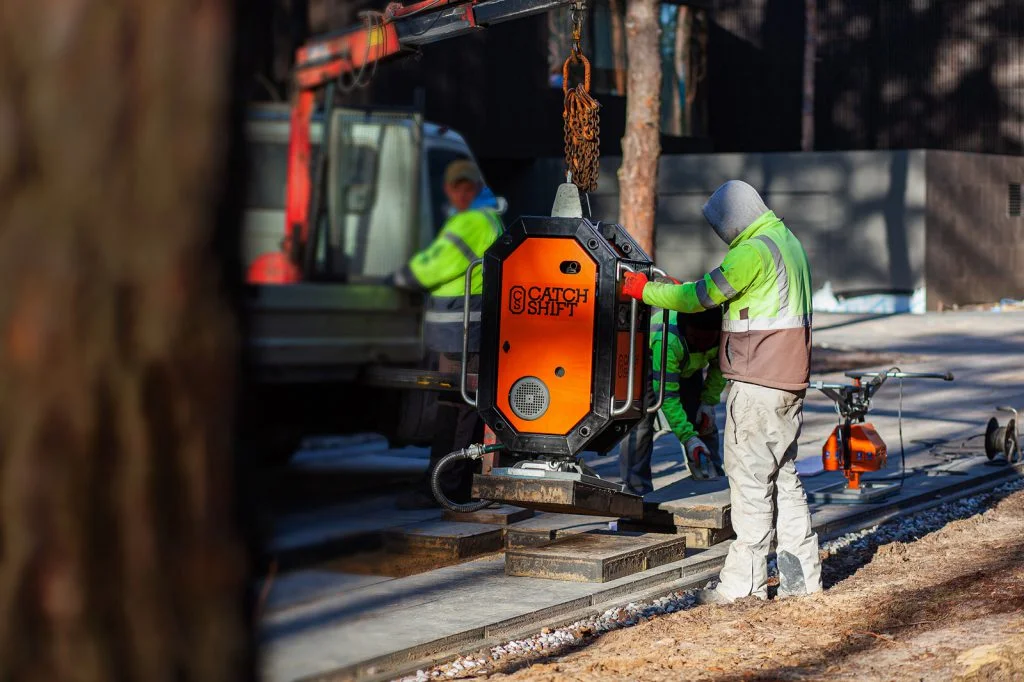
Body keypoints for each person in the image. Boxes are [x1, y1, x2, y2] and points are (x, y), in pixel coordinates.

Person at [621, 180, 819, 604]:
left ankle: (741, 586)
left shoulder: (752, 251)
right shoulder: (788, 243)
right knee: (784, 479)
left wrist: (645, 290)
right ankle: (802, 580)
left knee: (749, 485)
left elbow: (700, 298)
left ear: (731, 221)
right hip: (787, 384)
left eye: (720, 228)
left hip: (757, 384)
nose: (722, 237)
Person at [392, 159, 504, 509]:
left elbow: (440, 263)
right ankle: (454, 479)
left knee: (454, 406)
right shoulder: (486, 218)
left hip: (463, 332)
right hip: (466, 330)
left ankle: (444, 483)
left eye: (462, 186)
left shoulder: (473, 221)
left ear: (471, 188)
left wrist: (404, 278)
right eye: (454, 186)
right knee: (463, 405)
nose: (456, 193)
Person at [620, 307, 726, 496]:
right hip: (649, 362)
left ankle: (712, 478)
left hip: (688, 367)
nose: (702, 344)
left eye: (707, 341)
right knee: (640, 425)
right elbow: (667, 397)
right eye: (697, 340)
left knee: (704, 422)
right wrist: (688, 437)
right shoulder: (668, 341)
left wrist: (708, 402)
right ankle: (636, 493)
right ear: (688, 331)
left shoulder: (722, 334)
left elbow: (720, 368)